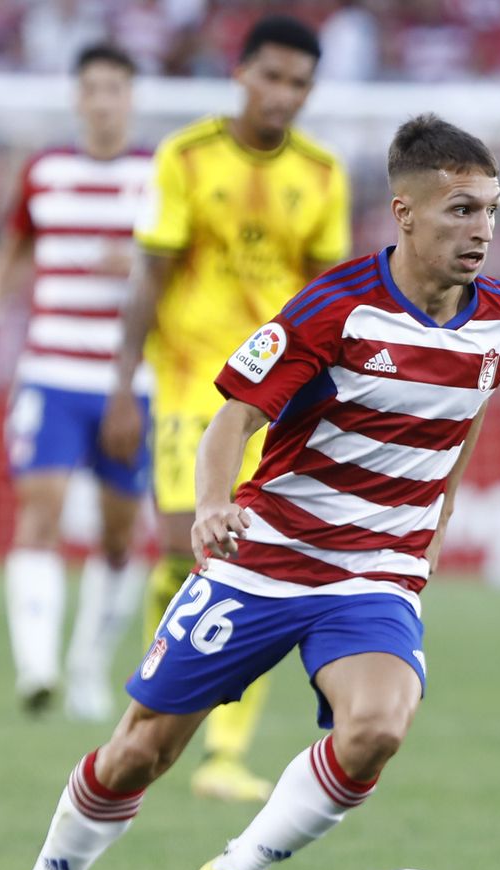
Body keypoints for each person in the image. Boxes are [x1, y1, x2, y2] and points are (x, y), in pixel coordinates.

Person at [0, 113, 500, 870]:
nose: (483, 230)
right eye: (462, 210)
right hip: (263, 555)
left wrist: (425, 544)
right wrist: (208, 506)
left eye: (492, 210)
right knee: (138, 755)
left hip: (373, 572)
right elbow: (233, 413)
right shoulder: (334, 309)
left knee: (378, 728)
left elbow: (458, 433)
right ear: (406, 213)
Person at [100, 15, 351, 801]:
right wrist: (121, 384)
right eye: (272, 77)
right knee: (185, 547)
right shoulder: (186, 156)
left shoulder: (322, 174)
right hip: (188, 386)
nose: (283, 95)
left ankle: (224, 752)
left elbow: (330, 295)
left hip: (281, 400)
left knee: (260, 560)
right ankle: (156, 698)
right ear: (241, 73)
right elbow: (149, 277)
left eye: (299, 84)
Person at [0, 43, 152, 722]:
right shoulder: (46, 171)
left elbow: (183, 262)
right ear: (79, 97)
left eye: (114, 88)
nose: (102, 101)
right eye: (92, 88)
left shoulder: (158, 176)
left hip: (132, 379)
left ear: (131, 98)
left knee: (118, 533)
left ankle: (87, 667)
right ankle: (36, 666)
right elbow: (16, 244)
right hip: (50, 369)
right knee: (38, 512)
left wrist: (135, 261)